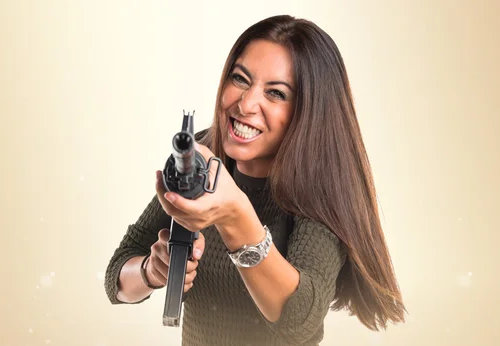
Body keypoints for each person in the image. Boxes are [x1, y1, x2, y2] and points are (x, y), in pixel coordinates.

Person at [104, 14, 406, 346]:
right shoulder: (203, 157)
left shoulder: (318, 191)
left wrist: (235, 215)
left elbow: (300, 322)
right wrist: (151, 270)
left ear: (308, 111)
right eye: (240, 78)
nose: (246, 104)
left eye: (275, 93)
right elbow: (116, 277)